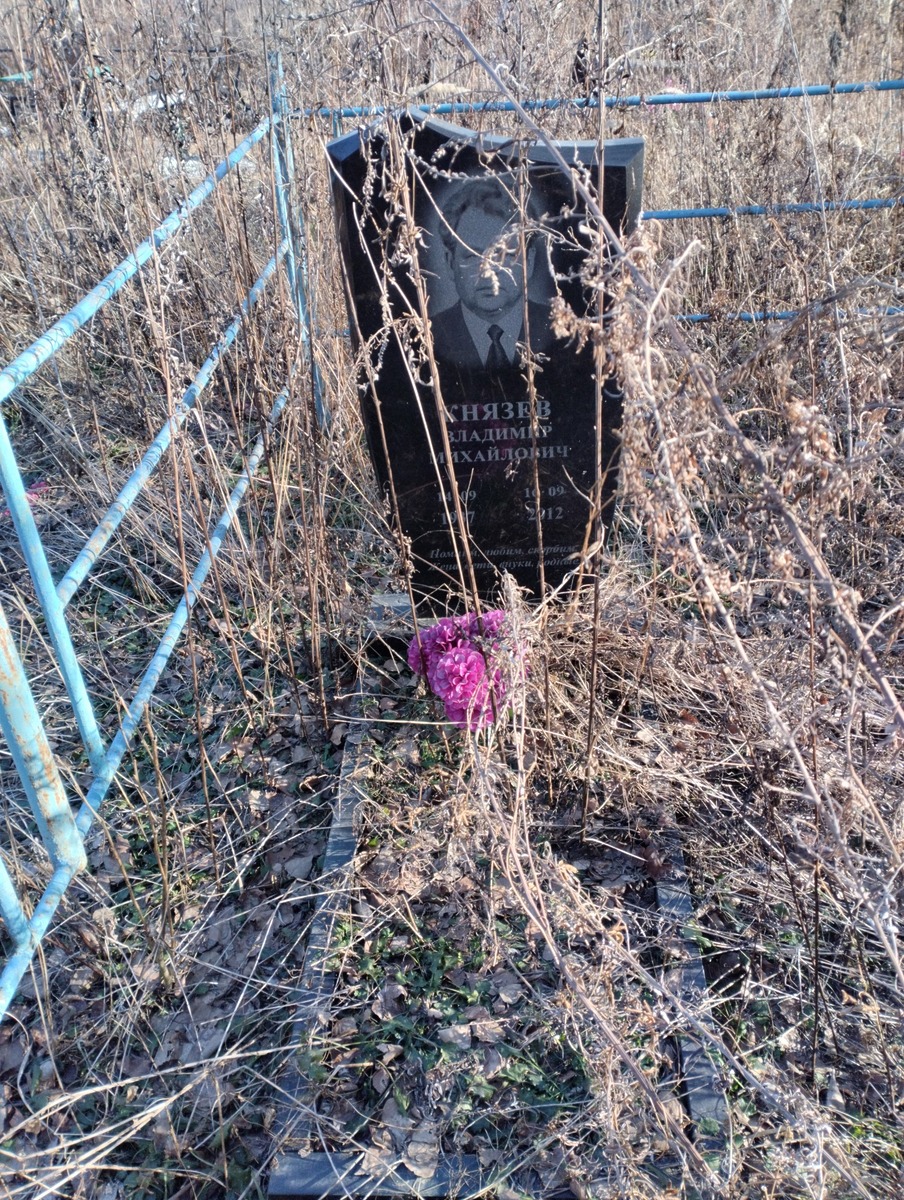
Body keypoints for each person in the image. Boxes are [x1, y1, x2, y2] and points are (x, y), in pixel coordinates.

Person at [429, 176, 554, 370]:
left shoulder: (563, 333)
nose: (487, 272)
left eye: (503, 254)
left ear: (529, 261)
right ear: (450, 262)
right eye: (472, 256)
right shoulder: (425, 336)